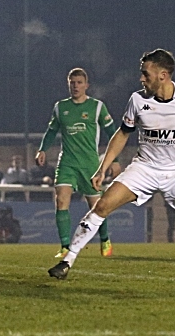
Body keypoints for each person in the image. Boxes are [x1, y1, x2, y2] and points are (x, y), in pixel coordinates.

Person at [47, 49, 175, 287]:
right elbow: (122, 134)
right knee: (103, 205)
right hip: (144, 169)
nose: (141, 79)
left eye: (145, 74)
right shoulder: (138, 100)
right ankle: (67, 262)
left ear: (163, 75)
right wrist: (102, 168)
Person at [35, 68, 121, 257]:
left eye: (79, 82)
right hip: (67, 163)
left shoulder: (97, 107)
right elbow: (51, 131)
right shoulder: (60, 107)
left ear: (86, 85)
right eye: (72, 82)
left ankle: (105, 239)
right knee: (61, 200)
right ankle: (65, 246)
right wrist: (42, 149)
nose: (75, 86)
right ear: (68, 84)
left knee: (97, 206)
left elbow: (113, 133)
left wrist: (114, 160)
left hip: (90, 164)